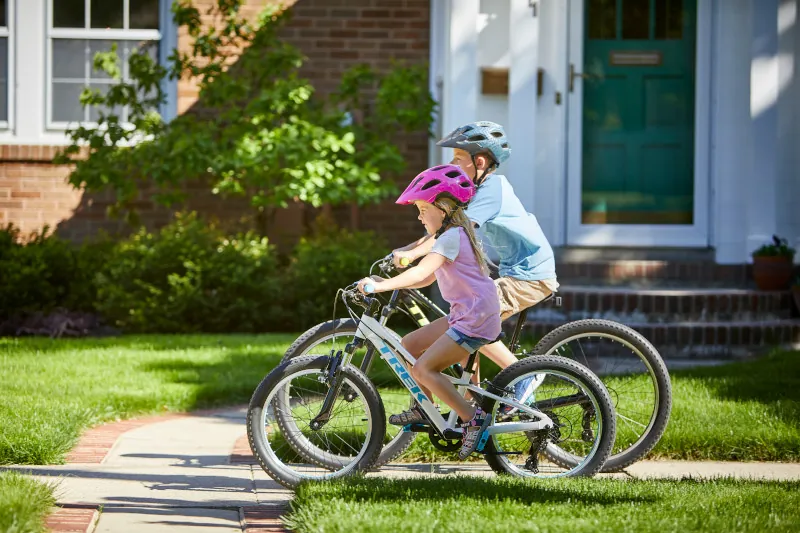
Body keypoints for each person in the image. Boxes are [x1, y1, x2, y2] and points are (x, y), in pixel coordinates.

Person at [392, 121, 558, 414]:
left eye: (458, 158)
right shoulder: (471, 192)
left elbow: (456, 230)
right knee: (466, 322)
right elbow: (444, 228)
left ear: (479, 162)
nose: (452, 164)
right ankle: (470, 400)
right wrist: (409, 249)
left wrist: (413, 255)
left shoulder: (493, 188)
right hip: (514, 272)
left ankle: (522, 373)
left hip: (530, 275)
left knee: (476, 319)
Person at [357, 164, 501, 460]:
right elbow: (426, 277)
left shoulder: (451, 237)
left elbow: (421, 269)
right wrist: (387, 283)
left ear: (444, 208)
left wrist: (378, 288)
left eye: (423, 208)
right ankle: (426, 408)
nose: (419, 216)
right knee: (408, 345)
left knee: (423, 368)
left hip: (474, 318)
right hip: (467, 313)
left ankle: (473, 418)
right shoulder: (450, 236)